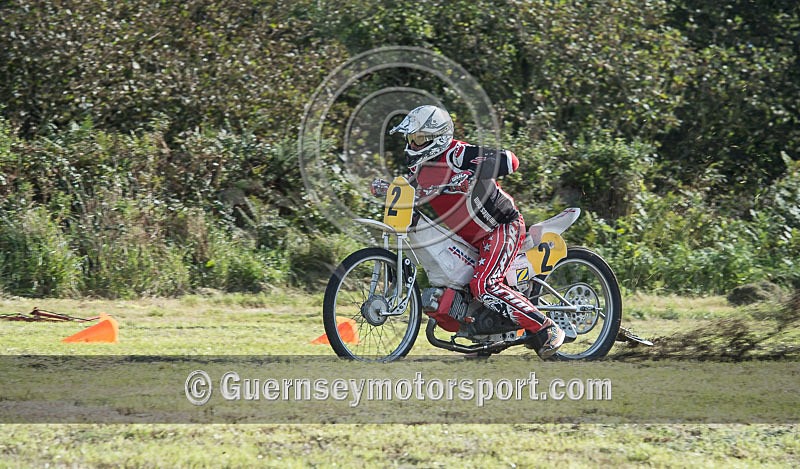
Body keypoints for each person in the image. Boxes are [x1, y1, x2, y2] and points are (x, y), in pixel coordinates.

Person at [371, 105, 566, 358]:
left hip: (500, 227)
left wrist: (469, 173)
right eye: (410, 139)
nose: (412, 145)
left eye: (418, 139)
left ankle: (546, 327)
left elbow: (510, 160)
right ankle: (484, 337)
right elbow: (410, 193)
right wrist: (386, 189)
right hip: (468, 238)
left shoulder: (458, 154)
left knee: (484, 285)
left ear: (436, 137)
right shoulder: (419, 168)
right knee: (460, 282)